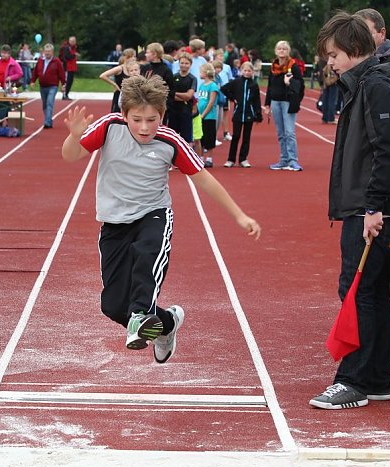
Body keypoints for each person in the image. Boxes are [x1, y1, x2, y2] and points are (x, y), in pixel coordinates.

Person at [60, 75, 261, 362]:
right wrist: (73, 136)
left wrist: (239, 216)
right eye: (137, 119)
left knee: (147, 255)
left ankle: (142, 314)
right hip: (114, 222)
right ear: (124, 114)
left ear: (162, 115)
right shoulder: (108, 127)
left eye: (152, 119)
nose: (145, 127)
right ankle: (166, 324)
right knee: (113, 306)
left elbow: (204, 180)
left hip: (153, 214)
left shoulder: (170, 141)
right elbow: (71, 156)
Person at [309, 12, 390, 409]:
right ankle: (371, 377)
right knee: (366, 292)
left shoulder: (376, 86)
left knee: (358, 292)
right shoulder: (362, 86)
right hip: (365, 206)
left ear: (354, 51)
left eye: (334, 54)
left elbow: (388, 151)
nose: (330, 63)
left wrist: (373, 207)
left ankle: (355, 379)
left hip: (374, 211)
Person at [263, 40, 304, 171]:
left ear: (288, 52)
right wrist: (267, 104)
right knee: (281, 133)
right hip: (275, 102)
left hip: (287, 102)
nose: (281, 51)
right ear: (276, 51)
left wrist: (289, 83)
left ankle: (293, 160)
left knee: (289, 132)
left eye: (284, 49)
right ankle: (283, 159)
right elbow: (270, 87)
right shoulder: (273, 67)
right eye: (279, 49)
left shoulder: (294, 67)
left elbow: (300, 85)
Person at [221, 61, 262, 168]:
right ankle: (231, 159)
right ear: (241, 71)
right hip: (238, 114)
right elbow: (224, 89)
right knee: (236, 136)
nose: (247, 72)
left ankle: (243, 159)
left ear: (252, 72)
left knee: (246, 137)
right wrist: (232, 98)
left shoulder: (254, 84)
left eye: (249, 71)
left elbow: (257, 100)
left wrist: (258, 114)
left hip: (249, 114)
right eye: (245, 70)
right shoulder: (236, 82)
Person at [31, 43, 66, 129]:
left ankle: (47, 122)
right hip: (42, 86)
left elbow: (61, 73)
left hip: (52, 86)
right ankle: (48, 119)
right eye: (46, 51)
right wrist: (32, 81)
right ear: (43, 52)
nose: (47, 53)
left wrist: (63, 84)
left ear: (52, 52)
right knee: (44, 105)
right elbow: (35, 72)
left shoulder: (56, 61)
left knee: (49, 103)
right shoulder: (40, 61)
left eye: (49, 51)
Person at [167, 53, 196, 143]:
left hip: (186, 111)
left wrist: (175, 94)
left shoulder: (192, 79)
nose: (184, 65)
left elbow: (189, 96)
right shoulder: (174, 77)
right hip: (173, 111)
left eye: (186, 63)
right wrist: (182, 96)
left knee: (186, 139)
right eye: (182, 63)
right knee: (173, 137)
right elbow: (169, 95)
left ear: (190, 64)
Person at [195, 62, 220, 168]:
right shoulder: (201, 85)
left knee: (209, 137)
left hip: (209, 116)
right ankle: (200, 158)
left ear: (206, 73)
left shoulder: (213, 85)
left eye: (201, 72)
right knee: (200, 137)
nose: (199, 74)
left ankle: (209, 158)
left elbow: (211, 102)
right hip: (200, 115)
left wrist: (203, 114)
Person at [98, 48, 136, 114]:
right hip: (119, 94)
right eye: (133, 56)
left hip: (129, 95)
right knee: (117, 114)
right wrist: (114, 84)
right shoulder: (120, 68)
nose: (135, 59)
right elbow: (103, 75)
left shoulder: (132, 68)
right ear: (127, 57)